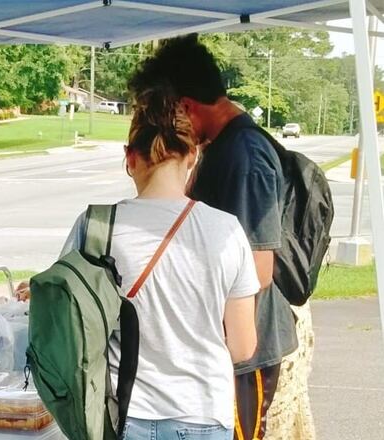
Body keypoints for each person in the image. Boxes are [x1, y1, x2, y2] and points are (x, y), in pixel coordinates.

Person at [127, 34, 304, 440]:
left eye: (170, 115)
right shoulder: (224, 148)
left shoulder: (244, 155)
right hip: (216, 355)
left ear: (186, 106)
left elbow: (258, 270)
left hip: (241, 357)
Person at [61, 83, 258, 439]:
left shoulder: (94, 226)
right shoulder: (226, 230)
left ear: (130, 157)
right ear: (193, 156)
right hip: (203, 415)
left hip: (123, 414)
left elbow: (68, 327)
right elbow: (243, 346)